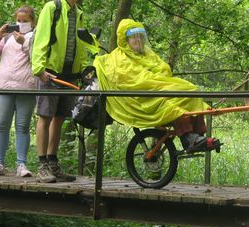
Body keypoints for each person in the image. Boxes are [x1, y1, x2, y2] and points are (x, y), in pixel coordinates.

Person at [93, 18, 219, 152]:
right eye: (134, 37)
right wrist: (158, 82)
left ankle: (199, 136)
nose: (138, 40)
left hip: (154, 89)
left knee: (191, 91)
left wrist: (160, 80)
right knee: (174, 98)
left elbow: (163, 69)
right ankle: (188, 139)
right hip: (139, 99)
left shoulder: (146, 53)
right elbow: (136, 81)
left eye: (141, 37)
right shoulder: (120, 58)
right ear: (125, 40)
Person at [31, 0, 99, 183]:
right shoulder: (52, 8)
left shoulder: (78, 12)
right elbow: (41, 39)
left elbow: (79, 44)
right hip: (50, 73)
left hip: (69, 75)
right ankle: (42, 164)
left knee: (60, 118)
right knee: (45, 116)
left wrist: (84, 69)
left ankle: (52, 162)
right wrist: (39, 69)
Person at [0, 5, 37, 177]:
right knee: (1, 126)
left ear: (33, 22)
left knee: (22, 127)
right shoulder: (6, 38)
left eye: (25, 21)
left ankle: (21, 164)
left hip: (25, 88)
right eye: (18, 21)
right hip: (4, 86)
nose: (21, 24)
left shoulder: (36, 37)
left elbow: (38, 58)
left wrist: (25, 42)